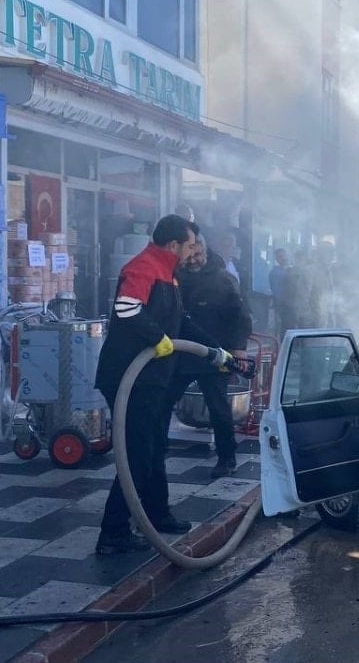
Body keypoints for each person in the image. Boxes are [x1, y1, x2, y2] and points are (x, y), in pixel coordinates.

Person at [93, 214, 223, 555]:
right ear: (173, 245)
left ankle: (156, 513)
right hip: (129, 377)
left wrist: (216, 352)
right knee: (136, 452)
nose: (193, 251)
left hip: (153, 377)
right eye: (190, 245)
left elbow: (182, 322)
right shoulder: (146, 266)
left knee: (153, 447)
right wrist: (159, 337)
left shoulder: (169, 273)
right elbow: (126, 309)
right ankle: (113, 531)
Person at [163, 236, 253, 479]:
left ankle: (227, 458)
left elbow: (241, 315)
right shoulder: (175, 277)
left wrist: (238, 347)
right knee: (163, 401)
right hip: (180, 352)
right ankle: (156, 448)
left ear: (205, 251)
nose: (193, 261)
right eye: (189, 256)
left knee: (218, 407)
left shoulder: (223, 279)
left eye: (198, 255)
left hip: (215, 353)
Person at [270, 248, 292, 334]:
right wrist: (280, 306)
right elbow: (276, 291)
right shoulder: (275, 273)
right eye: (280, 257)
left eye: (284, 256)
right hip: (284, 306)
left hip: (296, 305)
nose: (283, 258)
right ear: (277, 259)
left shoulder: (293, 269)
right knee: (285, 327)